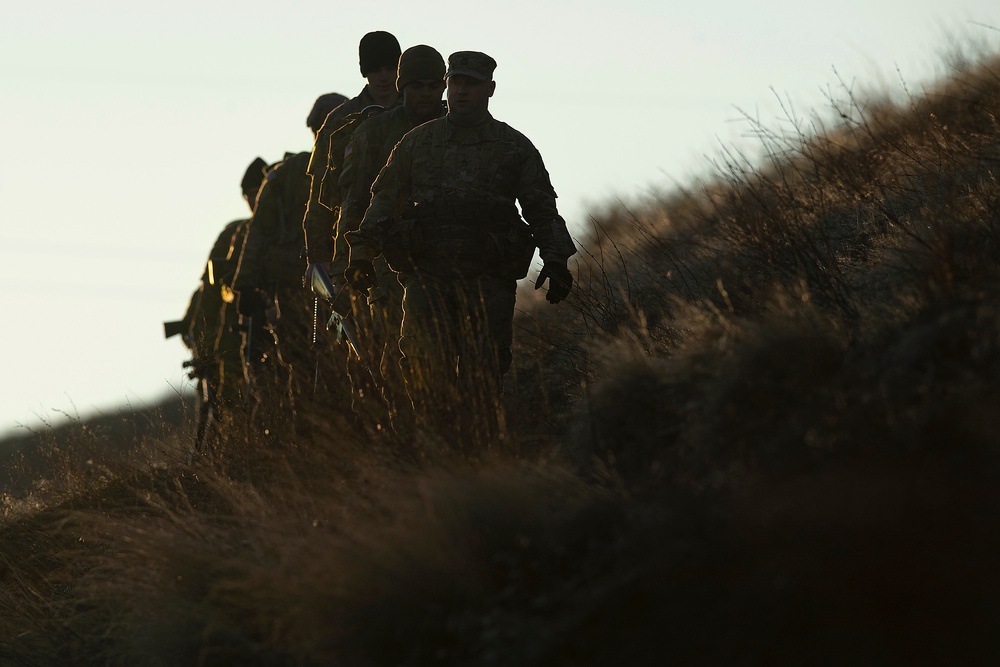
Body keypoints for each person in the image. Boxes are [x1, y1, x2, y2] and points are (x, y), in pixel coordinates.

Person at [344, 51, 576, 438]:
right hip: (426, 275)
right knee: (421, 367)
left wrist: (556, 261)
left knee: (483, 375)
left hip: (487, 278)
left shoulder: (514, 147)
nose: (461, 91)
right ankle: (436, 454)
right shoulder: (415, 143)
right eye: (455, 83)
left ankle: (478, 461)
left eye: (471, 84)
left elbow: (541, 208)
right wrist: (361, 253)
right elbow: (383, 199)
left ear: (490, 89)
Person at [336, 44, 448, 423]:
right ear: (403, 86)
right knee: (389, 353)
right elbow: (353, 205)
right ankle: (393, 434)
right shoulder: (375, 131)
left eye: (435, 85)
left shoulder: (460, 126)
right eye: (417, 85)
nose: (426, 94)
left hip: (451, 261)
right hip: (387, 264)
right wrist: (346, 267)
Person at [232, 93, 347, 428]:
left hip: (346, 279)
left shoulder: (362, 164)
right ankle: (306, 428)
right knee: (299, 357)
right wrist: (246, 285)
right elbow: (260, 230)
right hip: (296, 283)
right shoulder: (290, 174)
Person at [173, 156, 267, 447]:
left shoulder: (279, 232)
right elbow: (210, 292)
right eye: (252, 195)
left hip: (267, 329)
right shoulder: (234, 233)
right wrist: (205, 343)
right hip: (232, 335)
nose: (256, 201)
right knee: (228, 406)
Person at [303, 31, 402, 274]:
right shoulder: (340, 121)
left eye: (390, 68)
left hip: (409, 243)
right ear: (364, 71)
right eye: (376, 70)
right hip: (351, 244)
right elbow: (319, 198)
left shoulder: (420, 112)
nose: (384, 76)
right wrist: (317, 257)